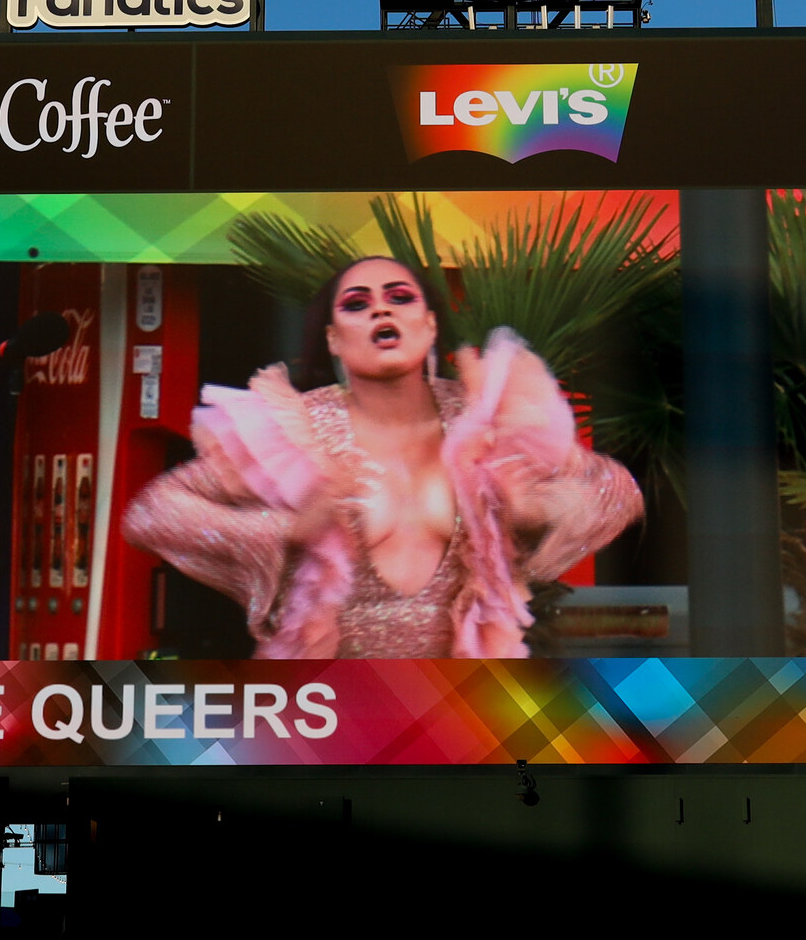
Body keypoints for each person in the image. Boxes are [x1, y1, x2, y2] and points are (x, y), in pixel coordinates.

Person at [124, 256, 641, 658]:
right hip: (327, 715)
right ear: (333, 339)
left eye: (399, 297)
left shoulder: (485, 422)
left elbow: (617, 493)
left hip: (464, 712)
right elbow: (150, 515)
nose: (380, 309)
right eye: (356, 303)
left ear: (430, 325)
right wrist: (286, 530)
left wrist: (538, 511)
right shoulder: (292, 431)